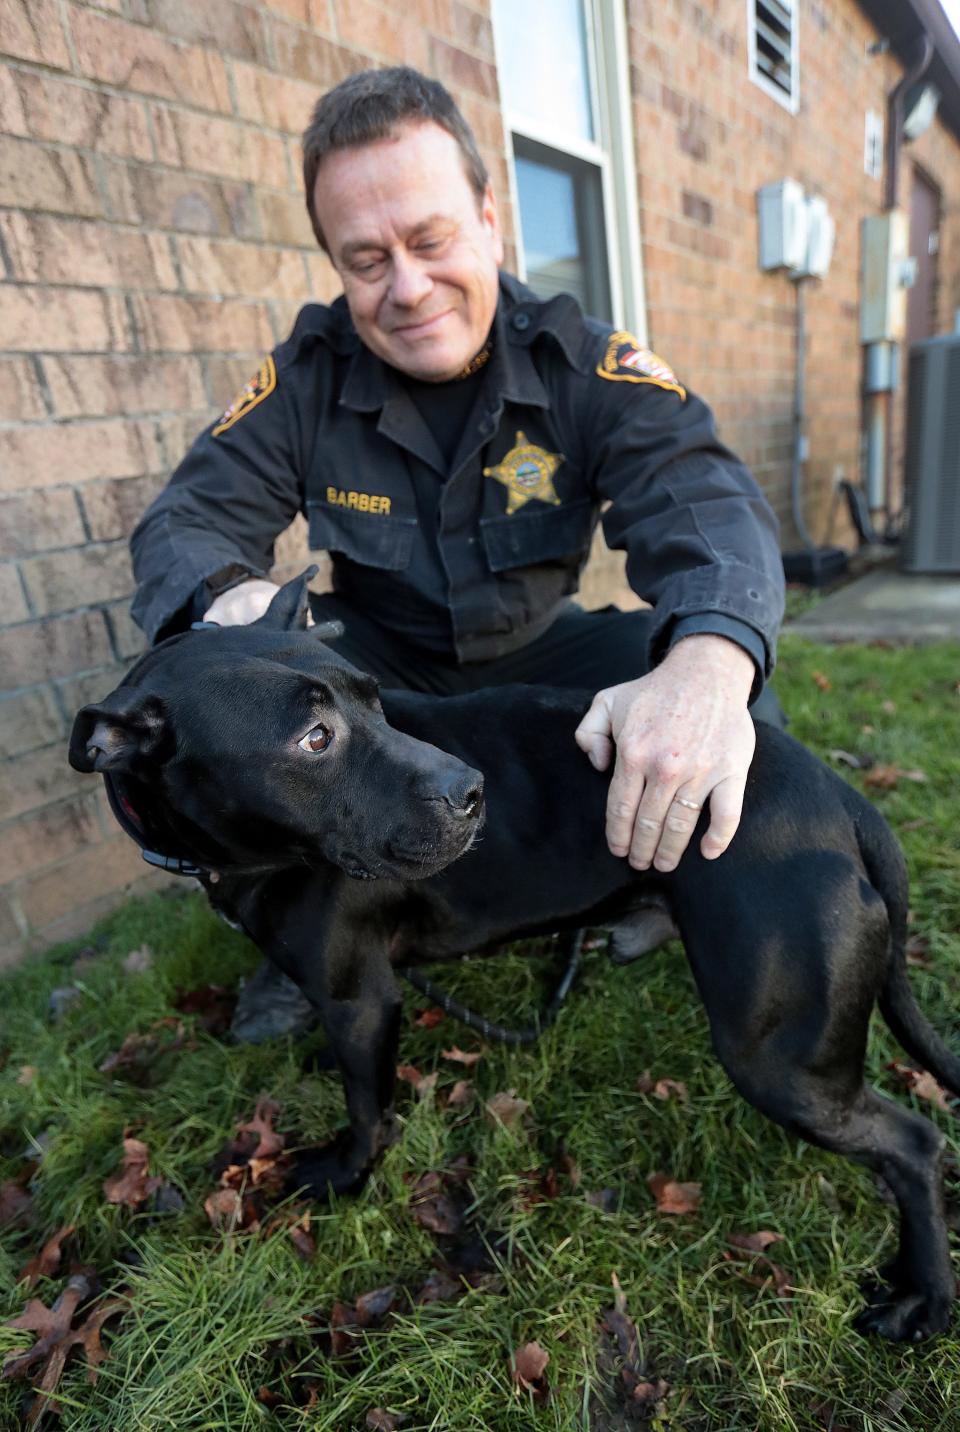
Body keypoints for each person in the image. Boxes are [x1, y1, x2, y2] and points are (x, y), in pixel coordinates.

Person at [130, 67, 786, 1042]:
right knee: (259, 720)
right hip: (376, 658)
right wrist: (226, 602)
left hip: (536, 642)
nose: (405, 286)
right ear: (335, 264)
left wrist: (709, 661)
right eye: (365, 259)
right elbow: (189, 517)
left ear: (488, 216)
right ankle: (303, 940)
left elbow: (704, 502)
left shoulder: (584, 363)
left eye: (430, 240)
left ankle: (659, 872)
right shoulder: (306, 379)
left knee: (724, 675)